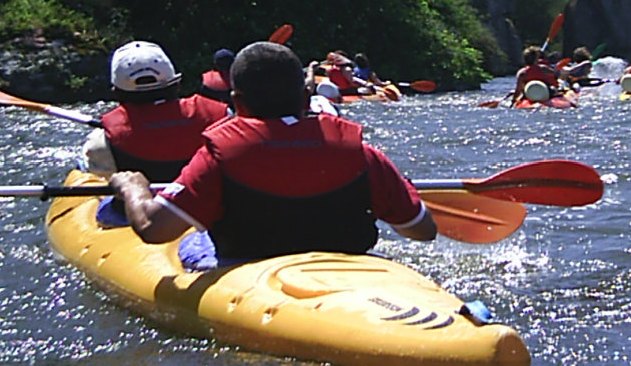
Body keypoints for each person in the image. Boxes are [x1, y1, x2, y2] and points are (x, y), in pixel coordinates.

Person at [106, 41, 436, 264]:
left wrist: (133, 188)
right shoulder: (363, 154)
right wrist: (397, 188)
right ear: (307, 97)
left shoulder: (219, 155)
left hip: (249, 269)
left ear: (236, 102)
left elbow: (154, 229)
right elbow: (421, 230)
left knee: (190, 240)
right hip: (346, 271)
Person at [82, 42, 229, 183]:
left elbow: (101, 188)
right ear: (176, 85)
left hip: (138, 206)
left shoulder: (102, 140)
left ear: (117, 94)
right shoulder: (223, 117)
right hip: (209, 206)